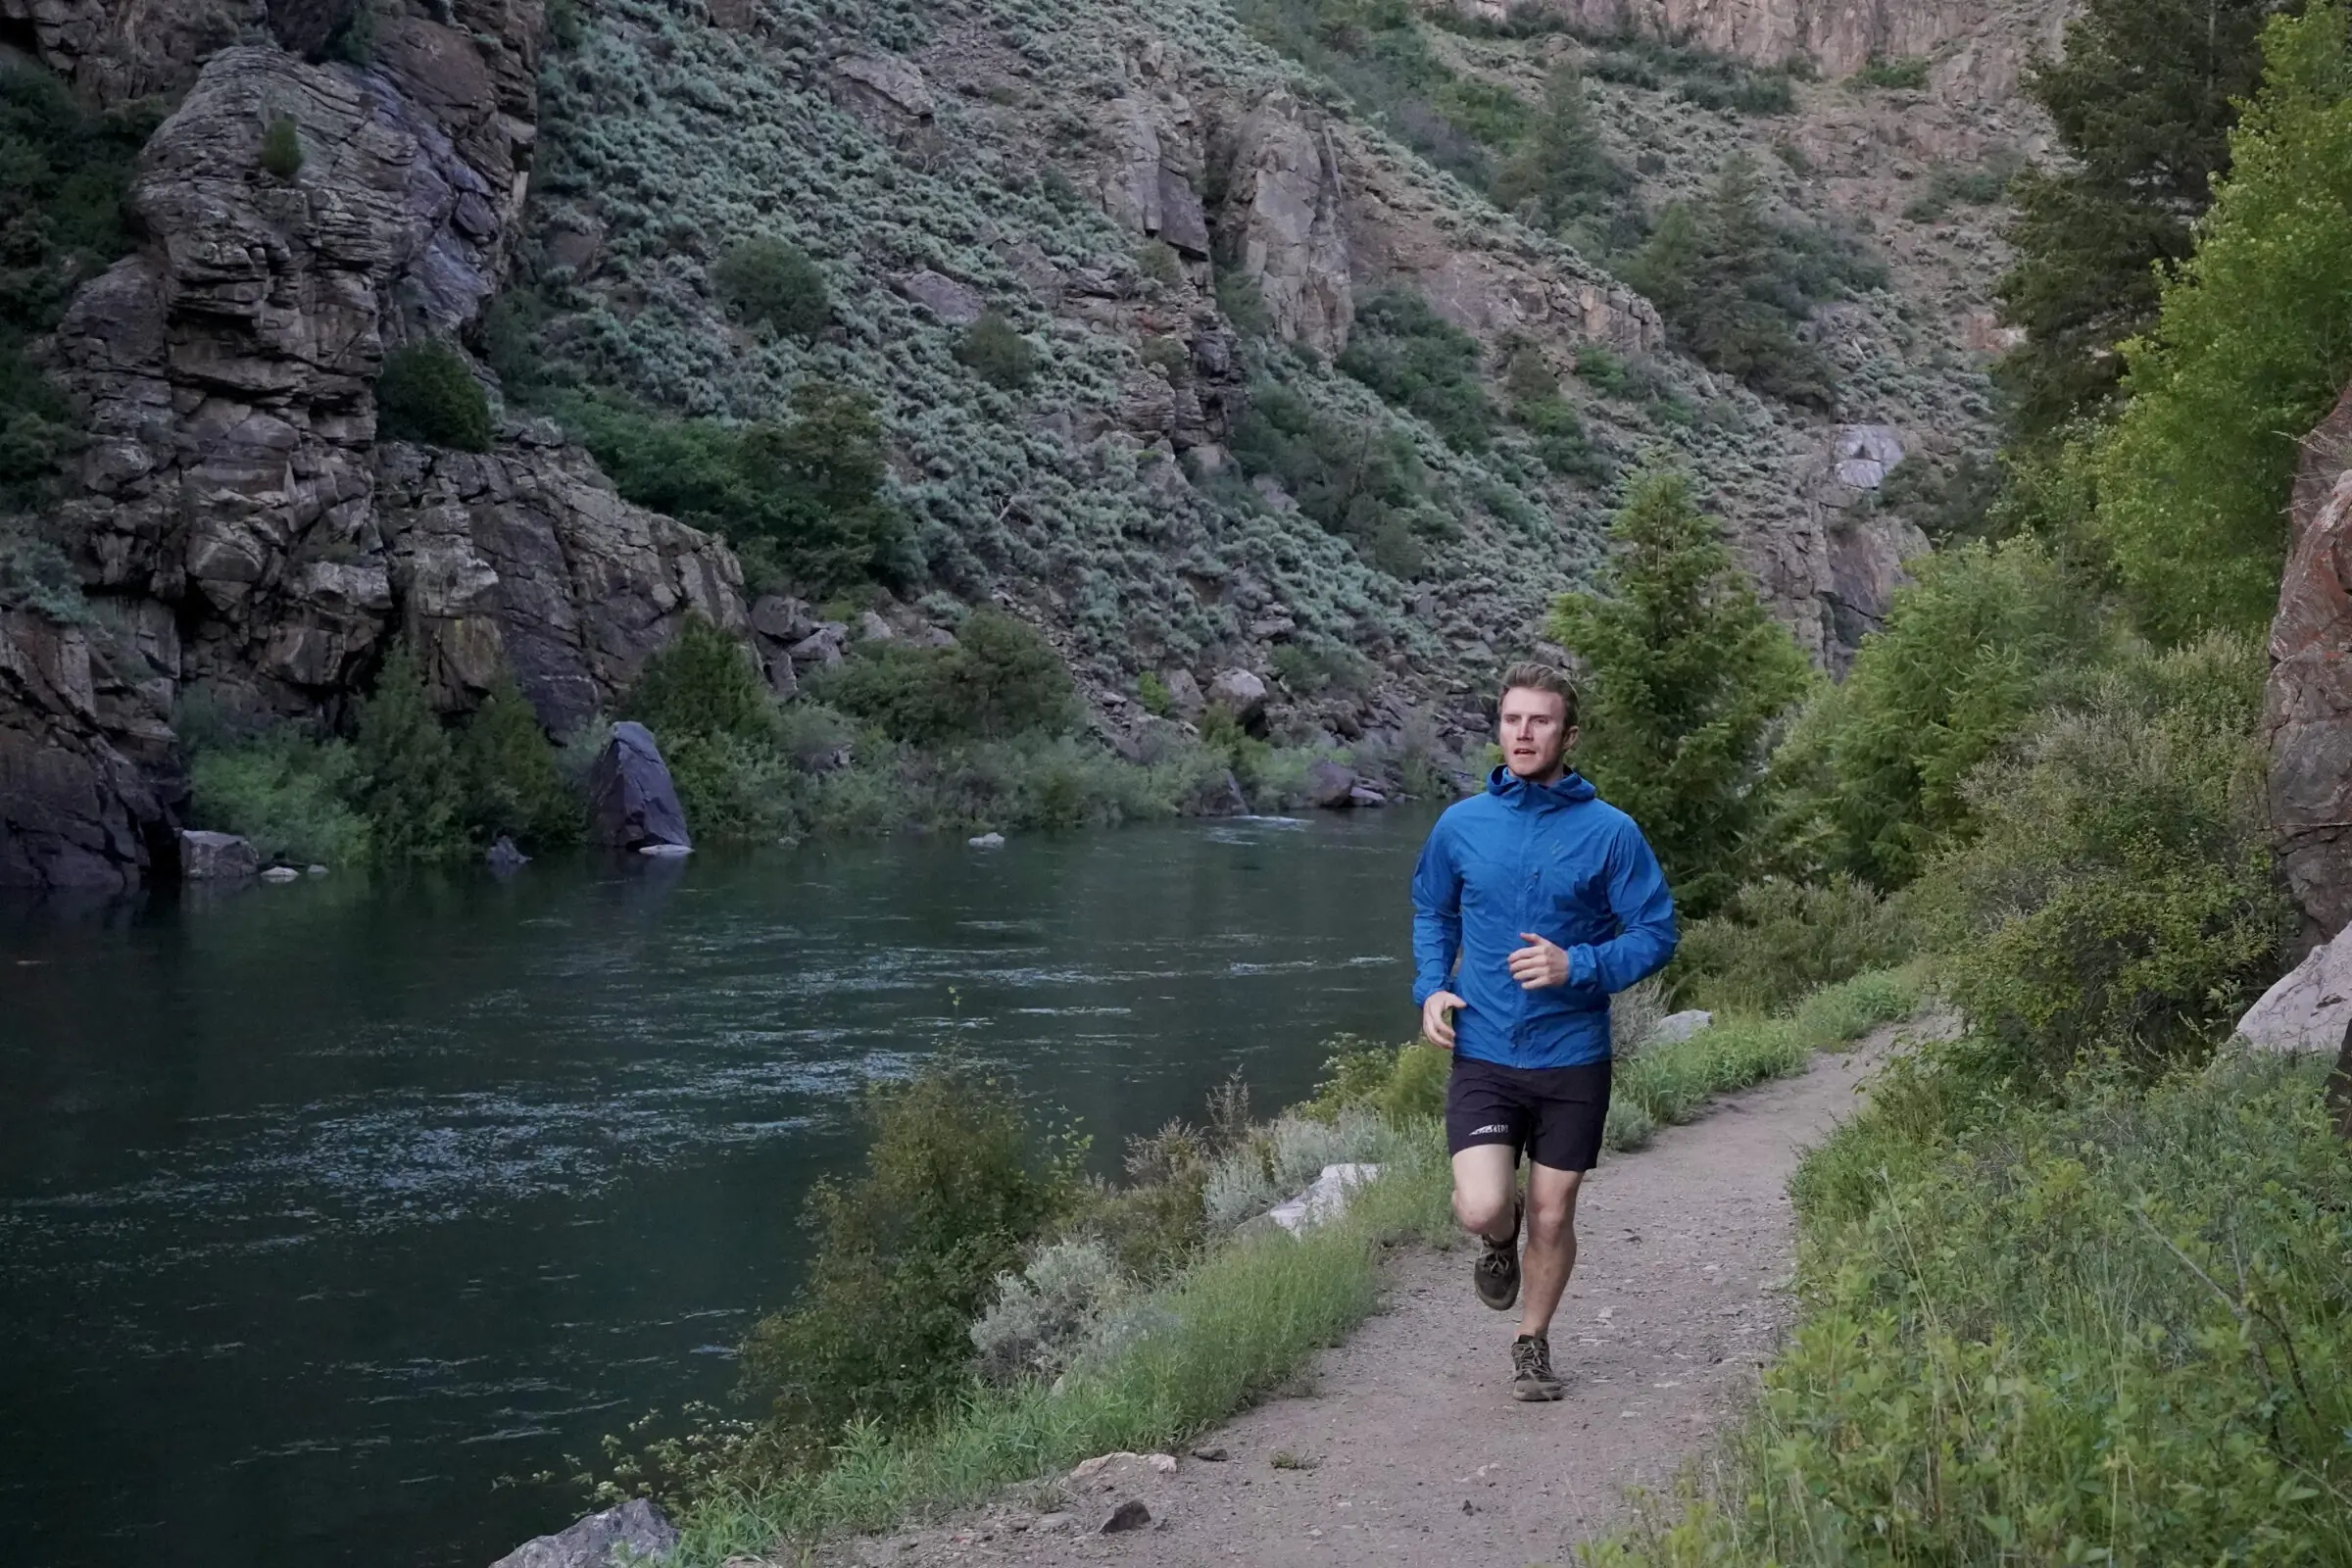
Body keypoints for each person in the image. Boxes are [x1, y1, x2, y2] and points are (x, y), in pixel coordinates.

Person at [1410, 662, 1678, 1402]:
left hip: (1573, 1057)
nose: (1524, 734)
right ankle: (1501, 1240)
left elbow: (1657, 932)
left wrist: (1578, 964)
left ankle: (1532, 1342)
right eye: (1512, 720)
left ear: (1568, 734)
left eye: (1541, 721)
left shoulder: (1611, 834)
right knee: (1482, 1206)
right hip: (1487, 1051)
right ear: (1499, 728)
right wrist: (1432, 986)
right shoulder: (1460, 826)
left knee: (1557, 1213)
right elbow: (1434, 911)